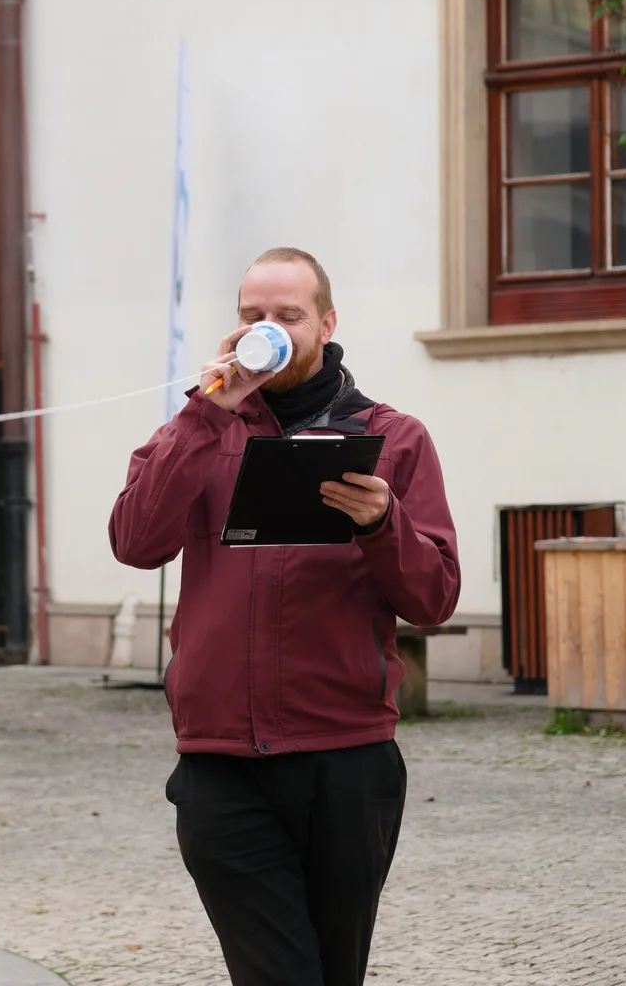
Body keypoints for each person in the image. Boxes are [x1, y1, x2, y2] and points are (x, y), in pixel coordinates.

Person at [109, 247, 460, 986]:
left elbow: (433, 599)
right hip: (221, 768)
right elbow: (136, 543)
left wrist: (382, 521)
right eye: (252, 317)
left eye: (287, 316)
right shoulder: (200, 430)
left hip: (346, 762)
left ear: (327, 325)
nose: (267, 330)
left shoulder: (393, 438)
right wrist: (205, 413)